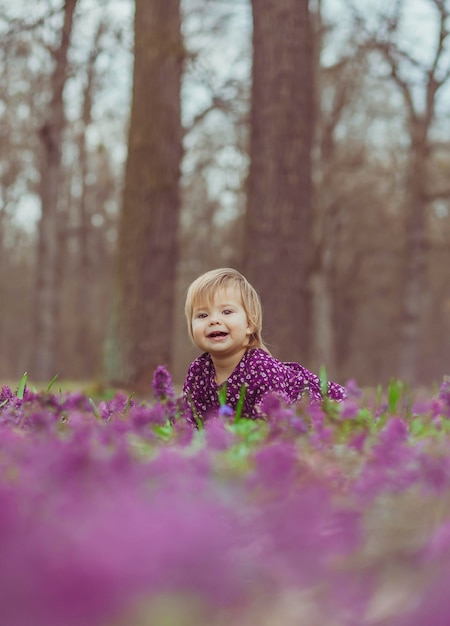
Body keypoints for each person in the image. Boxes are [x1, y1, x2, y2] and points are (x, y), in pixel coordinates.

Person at [182, 268, 346, 422]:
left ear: (249, 324)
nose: (213, 320)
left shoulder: (261, 369)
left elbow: (276, 421)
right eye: (202, 315)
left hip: (326, 411)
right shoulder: (198, 371)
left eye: (226, 312)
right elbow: (189, 420)